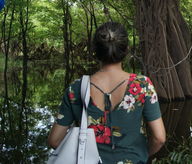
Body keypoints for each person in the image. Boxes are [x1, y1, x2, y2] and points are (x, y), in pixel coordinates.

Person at [48, 22, 166, 163]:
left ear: (95, 51)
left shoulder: (76, 88)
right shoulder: (142, 85)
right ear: (126, 50)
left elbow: (54, 140)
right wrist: (141, 154)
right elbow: (159, 138)